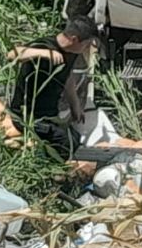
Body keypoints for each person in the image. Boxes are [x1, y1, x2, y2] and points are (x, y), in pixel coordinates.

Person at [7, 15, 100, 149]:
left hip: (49, 114)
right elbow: (12, 54)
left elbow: (67, 78)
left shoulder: (71, 52)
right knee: (66, 145)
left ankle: (30, 146)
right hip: (28, 116)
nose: (86, 49)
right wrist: (45, 54)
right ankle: (34, 155)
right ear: (74, 40)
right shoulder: (45, 45)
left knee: (75, 138)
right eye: (86, 45)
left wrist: (75, 106)